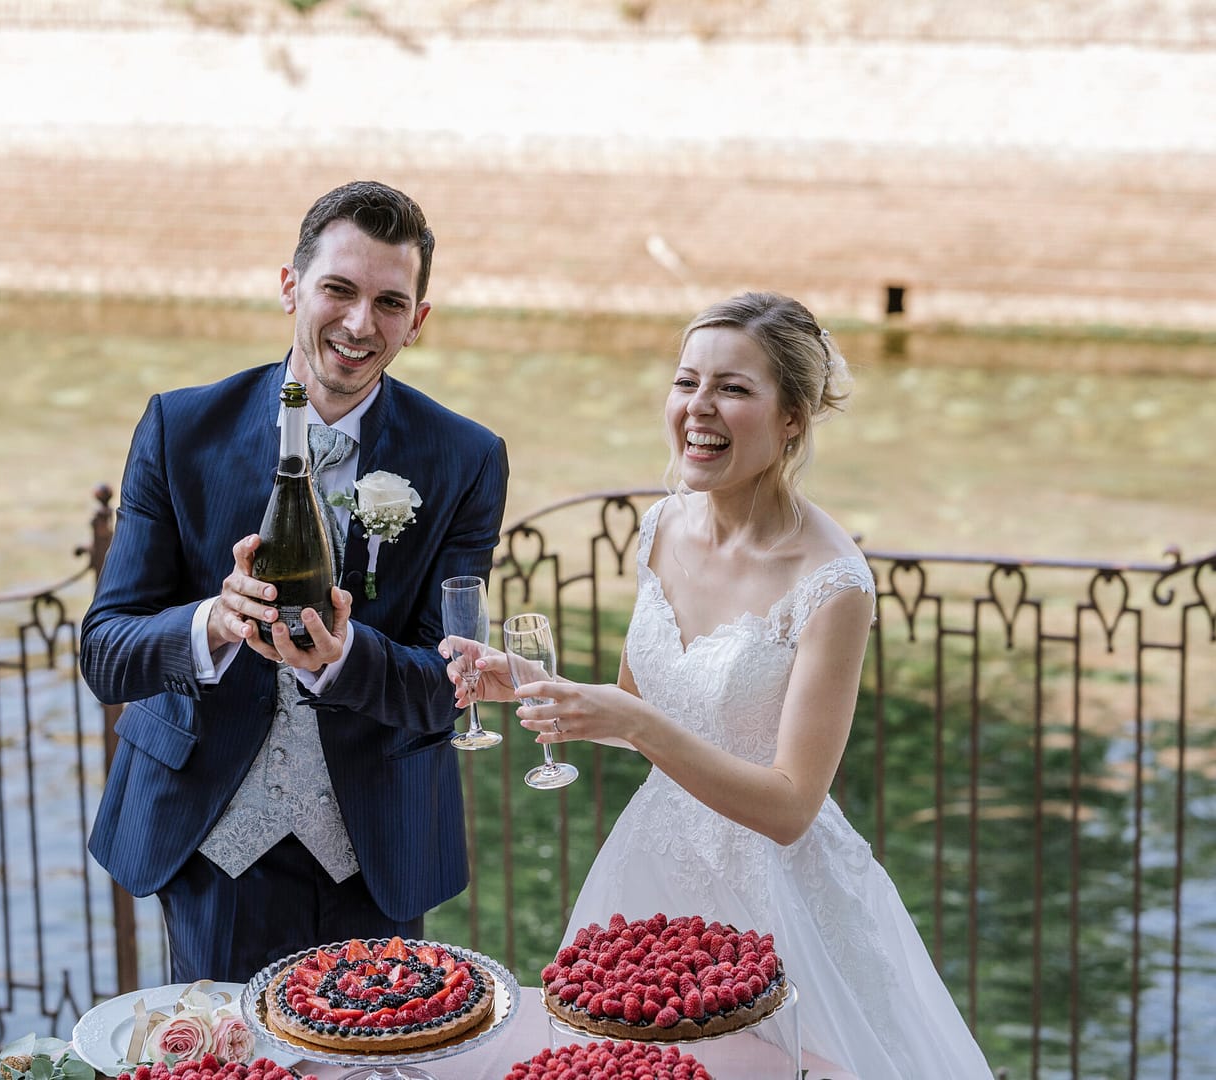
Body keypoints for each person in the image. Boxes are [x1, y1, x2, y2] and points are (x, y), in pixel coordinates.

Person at [446, 292, 992, 1078]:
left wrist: (633, 722)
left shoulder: (832, 581)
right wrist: (528, 685)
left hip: (785, 905)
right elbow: (643, 699)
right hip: (657, 876)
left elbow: (789, 807)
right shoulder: (660, 527)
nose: (698, 408)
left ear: (793, 416)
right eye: (685, 382)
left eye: (733, 389)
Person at [82, 180, 509, 984]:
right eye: (338, 290)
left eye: (389, 302)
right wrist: (211, 619)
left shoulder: (464, 458)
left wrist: (346, 658)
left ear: (416, 322)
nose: (358, 324)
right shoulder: (182, 431)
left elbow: (446, 680)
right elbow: (106, 653)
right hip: (211, 840)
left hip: (376, 845)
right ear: (290, 287)